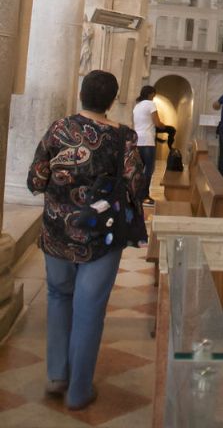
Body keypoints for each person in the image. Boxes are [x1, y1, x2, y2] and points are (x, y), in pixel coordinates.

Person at [27, 70, 146, 411]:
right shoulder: (123, 136)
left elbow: (36, 180)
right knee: (89, 310)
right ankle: (78, 391)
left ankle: (56, 376)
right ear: (112, 99)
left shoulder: (58, 129)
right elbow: (136, 185)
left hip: (57, 232)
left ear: (81, 94)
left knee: (58, 296)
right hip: (100, 235)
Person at [133, 85, 168, 204]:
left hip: (137, 140)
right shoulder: (150, 104)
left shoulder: (137, 105)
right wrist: (165, 127)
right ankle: (145, 195)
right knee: (149, 169)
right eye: (154, 94)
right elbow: (157, 123)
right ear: (150, 94)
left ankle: (136, 194)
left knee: (138, 169)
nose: (154, 97)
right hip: (147, 140)